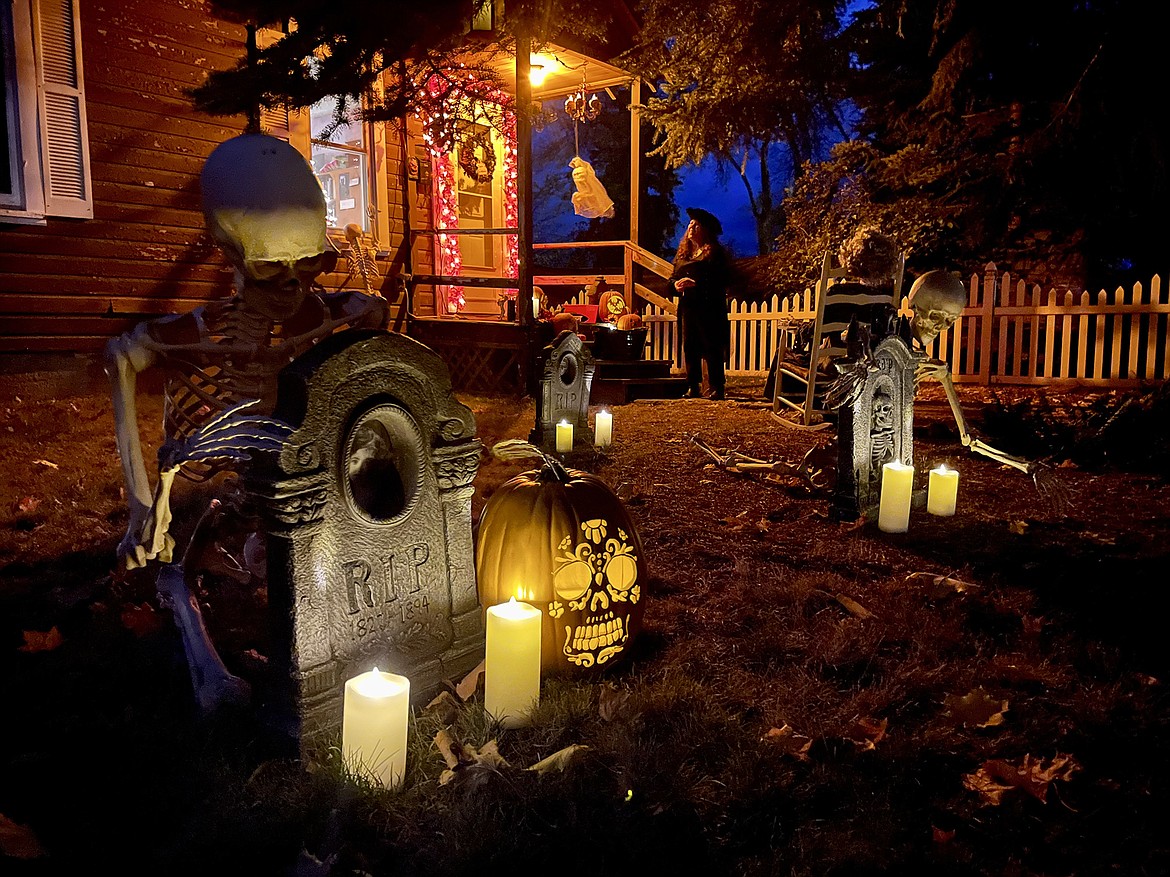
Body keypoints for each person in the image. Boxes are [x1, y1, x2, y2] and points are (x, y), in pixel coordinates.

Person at [671, 207, 732, 399]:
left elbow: (723, 279)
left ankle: (716, 386)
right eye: (690, 224)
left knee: (711, 345)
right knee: (690, 345)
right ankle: (693, 385)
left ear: (704, 230)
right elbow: (671, 278)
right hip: (688, 307)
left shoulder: (714, 253)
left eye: (696, 225)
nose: (691, 227)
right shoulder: (682, 255)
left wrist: (697, 284)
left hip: (709, 306)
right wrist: (676, 285)